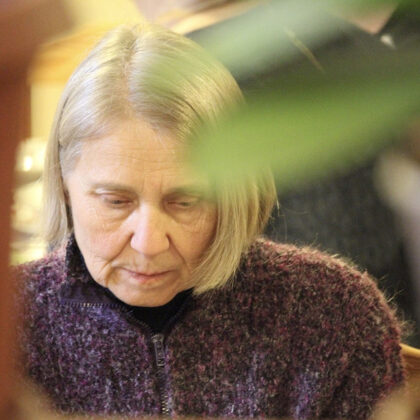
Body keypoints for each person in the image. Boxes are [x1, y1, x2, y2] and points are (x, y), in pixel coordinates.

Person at [16, 23, 404, 419]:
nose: (148, 243)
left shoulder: (333, 316)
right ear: (64, 185)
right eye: (116, 201)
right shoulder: (12, 324)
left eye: (185, 202)